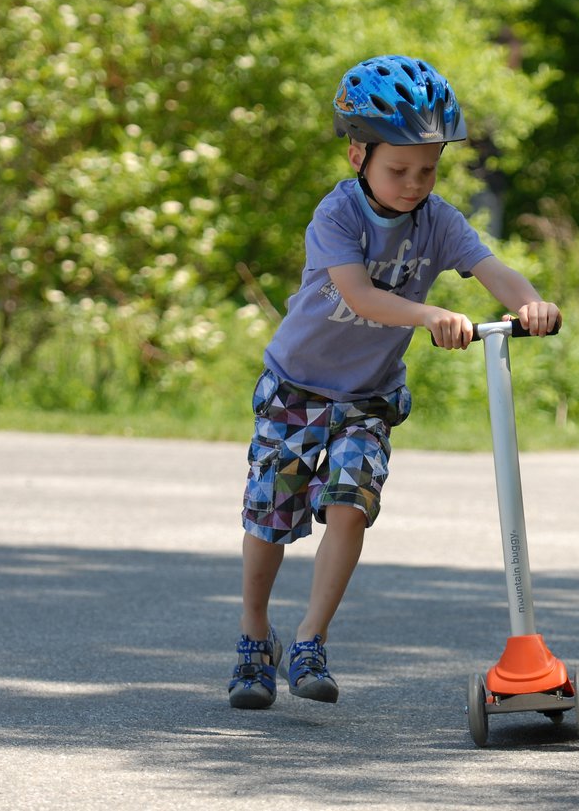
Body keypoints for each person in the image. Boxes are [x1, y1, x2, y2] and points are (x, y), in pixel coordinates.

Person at [228, 54, 561, 709]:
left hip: (367, 398)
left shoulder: (438, 221)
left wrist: (528, 302)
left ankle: (310, 638)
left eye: (428, 169)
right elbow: (360, 293)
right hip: (297, 387)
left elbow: (491, 268)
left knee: (351, 505)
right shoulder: (338, 216)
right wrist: (430, 313)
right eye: (399, 168)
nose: (415, 183)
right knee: (272, 518)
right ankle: (252, 635)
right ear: (358, 154)